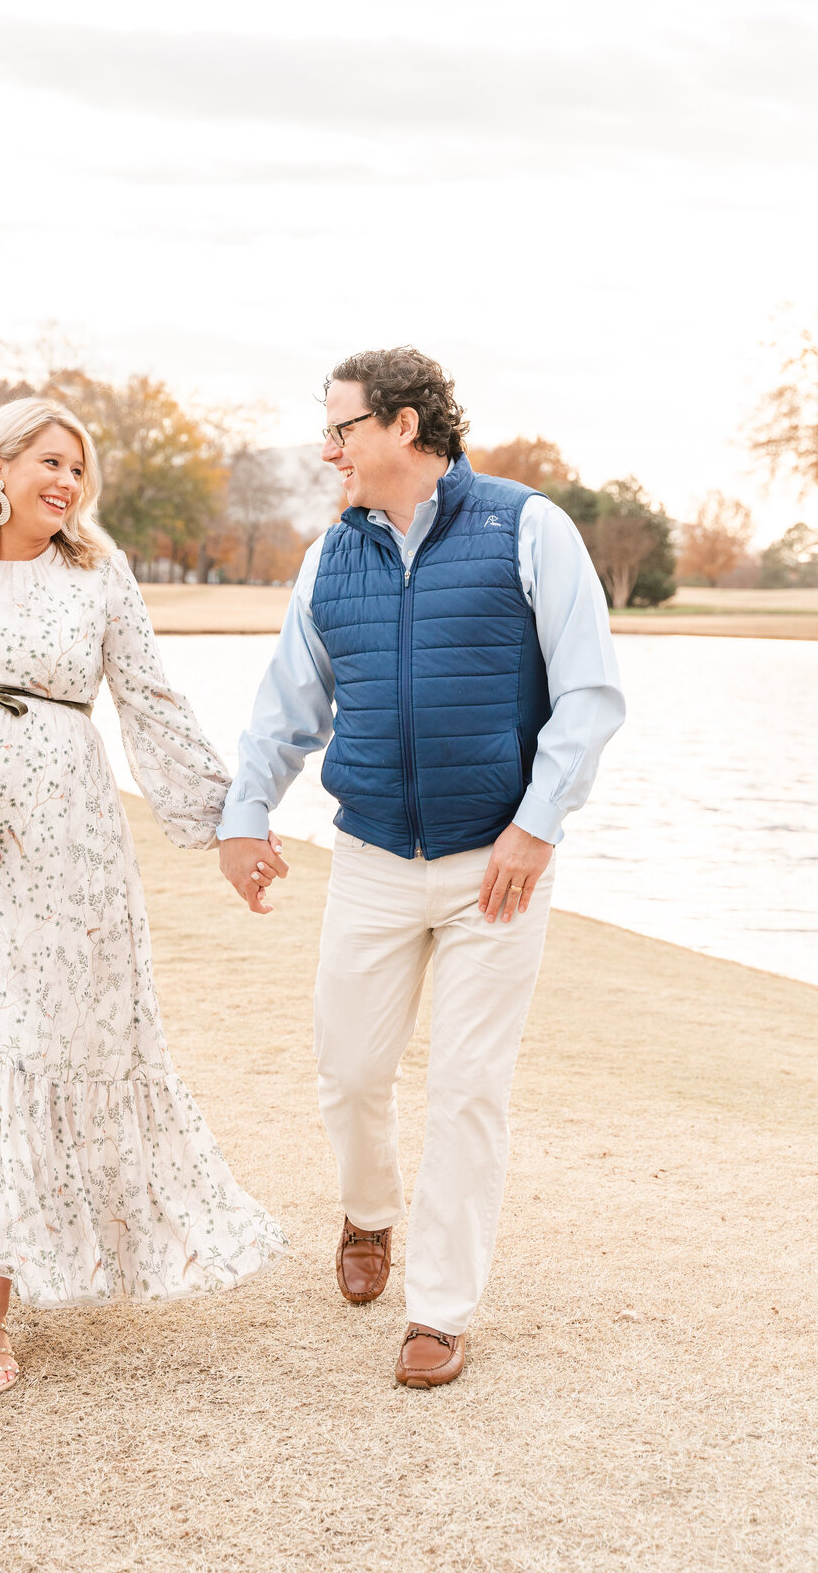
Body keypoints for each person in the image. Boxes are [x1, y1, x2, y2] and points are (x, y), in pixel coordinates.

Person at [0, 397, 285, 1397]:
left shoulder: (97, 573)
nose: (68, 484)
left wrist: (230, 826)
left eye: (79, 470)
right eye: (51, 461)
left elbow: (152, 701)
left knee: (23, 1061)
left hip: (63, 865)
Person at [218, 347, 624, 1388]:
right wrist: (244, 813)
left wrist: (537, 827)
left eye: (340, 427)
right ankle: (369, 1211)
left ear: (402, 425)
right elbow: (288, 708)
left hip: (500, 861)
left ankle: (439, 1310)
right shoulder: (328, 559)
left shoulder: (527, 527)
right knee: (349, 1068)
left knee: (468, 1086)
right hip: (373, 860)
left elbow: (588, 694)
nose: (327, 449)